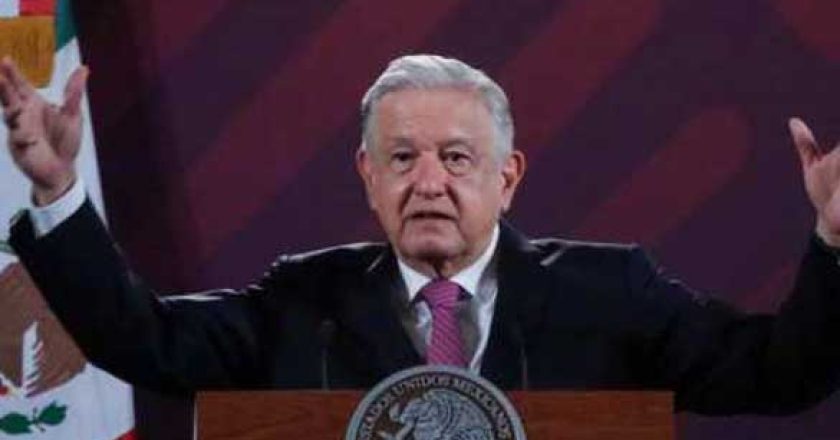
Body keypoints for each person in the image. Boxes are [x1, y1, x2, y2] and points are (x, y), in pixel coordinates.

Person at [3, 54, 840, 415]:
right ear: (368, 178)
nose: (429, 182)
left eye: (457, 158)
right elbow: (146, 341)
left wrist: (835, 240)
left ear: (508, 177)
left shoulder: (610, 293)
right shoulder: (303, 300)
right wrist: (57, 191)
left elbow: (782, 374)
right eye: (401, 158)